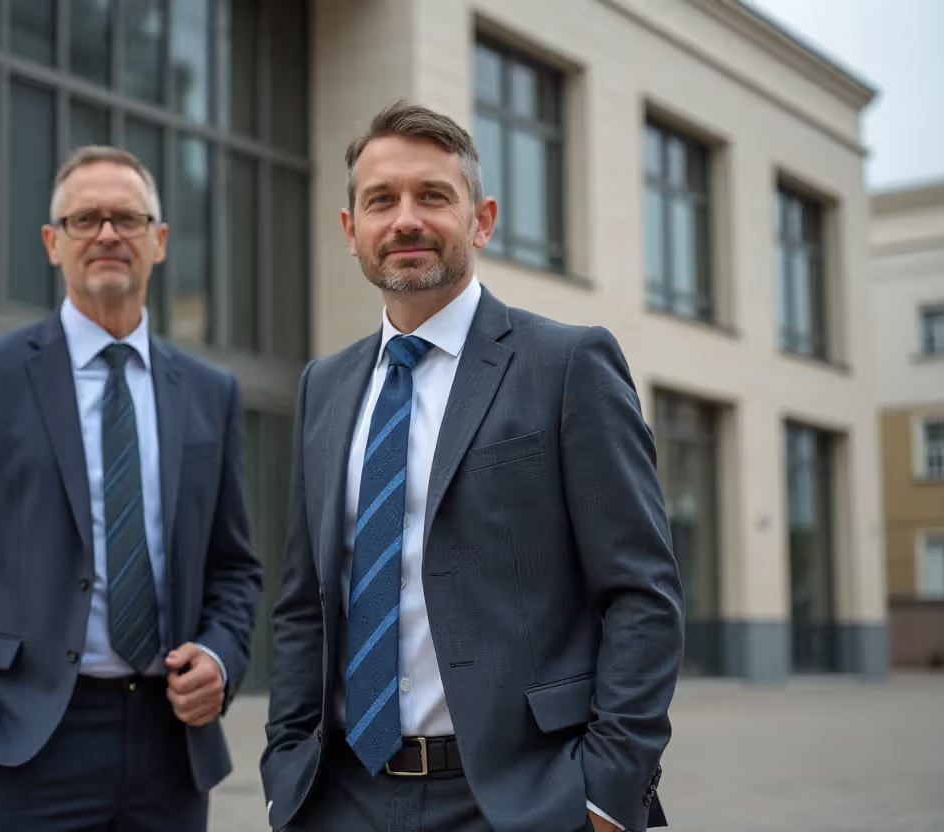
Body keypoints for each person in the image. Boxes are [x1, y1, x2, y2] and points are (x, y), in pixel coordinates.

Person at [261, 101, 684, 832]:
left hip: (520, 800)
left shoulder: (568, 364)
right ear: (349, 229)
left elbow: (643, 595)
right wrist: (284, 769)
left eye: (433, 196)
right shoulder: (323, 388)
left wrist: (607, 792)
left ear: (481, 220)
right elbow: (305, 603)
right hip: (340, 798)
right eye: (380, 201)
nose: (405, 220)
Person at [0, 145, 263, 831]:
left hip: (170, 746)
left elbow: (234, 566)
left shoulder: (212, 394)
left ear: (160, 239)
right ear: (52, 243)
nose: (108, 234)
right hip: (20, 743)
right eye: (85, 218)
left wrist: (219, 656)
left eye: (126, 217)